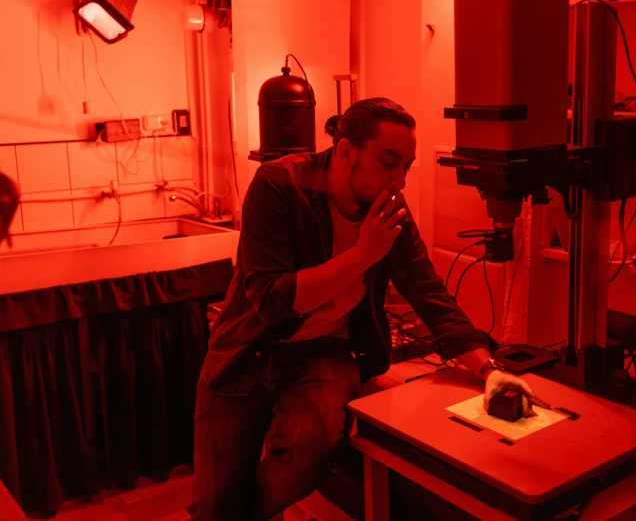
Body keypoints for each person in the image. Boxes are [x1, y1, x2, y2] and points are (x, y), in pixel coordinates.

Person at [189, 98, 543, 520]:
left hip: (322, 351)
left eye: (406, 167)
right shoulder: (278, 184)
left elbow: (427, 290)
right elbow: (272, 300)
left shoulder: (390, 209)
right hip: (246, 350)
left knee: (310, 449)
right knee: (214, 500)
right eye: (389, 162)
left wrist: (489, 369)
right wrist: (362, 254)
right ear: (345, 151)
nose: (400, 181)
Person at [0, 170, 20, 247]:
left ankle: (5, 230)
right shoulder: (4, 179)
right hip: (11, 197)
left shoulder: (4, 180)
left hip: (10, 198)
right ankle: (5, 231)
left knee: (3, 224)